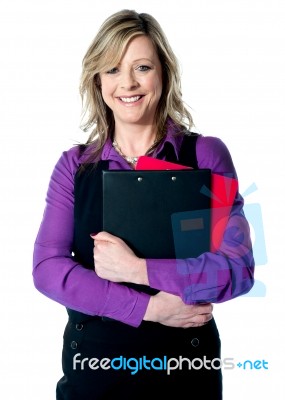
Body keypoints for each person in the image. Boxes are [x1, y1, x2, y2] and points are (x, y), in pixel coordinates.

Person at [32, 9, 254, 400]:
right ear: (97, 80)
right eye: (113, 69)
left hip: (186, 371)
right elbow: (48, 269)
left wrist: (139, 269)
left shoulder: (204, 157)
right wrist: (148, 309)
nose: (128, 83)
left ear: (163, 74)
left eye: (142, 67)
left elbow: (236, 268)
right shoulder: (75, 166)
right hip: (96, 373)